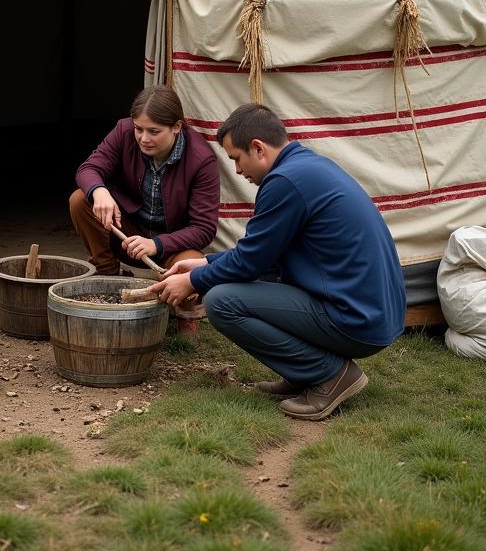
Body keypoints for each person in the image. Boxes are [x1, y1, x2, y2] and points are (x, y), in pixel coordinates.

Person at [150, 103, 405, 420]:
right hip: (369, 309)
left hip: (356, 318)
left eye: (237, 159)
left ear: (257, 148)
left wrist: (193, 281)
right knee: (234, 285)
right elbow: (264, 252)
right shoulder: (306, 167)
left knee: (221, 301)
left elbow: (251, 262)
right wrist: (204, 264)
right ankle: (303, 375)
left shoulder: (284, 182)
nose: (239, 171)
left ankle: (330, 375)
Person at [69, 84, 220, 338]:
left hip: (172, 246)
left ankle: (184, 313)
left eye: (154, 131)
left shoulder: (201, 159)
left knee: (190, 267)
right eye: (139, 129)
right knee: (80, 200)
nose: (143, 138)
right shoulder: (124, 131)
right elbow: (88, 169)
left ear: (176, 127)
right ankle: (109, 278)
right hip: (127, 235)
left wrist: (157, 244)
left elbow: (204, 229)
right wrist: (99, 191)